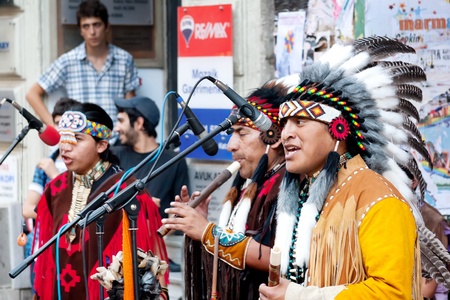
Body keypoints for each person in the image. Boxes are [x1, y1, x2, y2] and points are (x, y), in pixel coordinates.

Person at [258, 36, 450, 299]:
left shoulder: (380, 199)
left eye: (300, 122)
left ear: (338, 129)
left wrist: (297, 296)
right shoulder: (309, 193)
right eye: (284, 123)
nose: (286, 134)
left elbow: (392, 292)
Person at [162, 80, 291, 300]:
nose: (230, 145)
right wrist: (200, 228)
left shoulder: (287, 187)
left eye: (242, 134)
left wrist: (208, 232)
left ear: (273, 137)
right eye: (232, 134)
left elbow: (280, 260)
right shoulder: (253, 186)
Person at [32, 103, 168, 300]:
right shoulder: (55, 188)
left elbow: (148, 260)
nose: (65, 147)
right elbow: (46, 262)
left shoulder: (127, 190)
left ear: (101, 145)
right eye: (64, 138)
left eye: (77, 139)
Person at [26, 0, 139, 127]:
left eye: (97, 25)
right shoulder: (68, 61)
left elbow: (130, 104)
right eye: (86, 26)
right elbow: (32, 94)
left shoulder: (124, 59)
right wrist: (54, 126)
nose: (92, 32)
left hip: (115, 139)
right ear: (80, 30)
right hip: (80, 139)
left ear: (107, 26)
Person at [22, 97, 79, 293]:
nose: (60, 131)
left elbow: (76, 210)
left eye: (65, 125)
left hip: (74, 244)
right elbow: (28, 209)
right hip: (44, 242)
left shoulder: (84, 164)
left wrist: (55, 175)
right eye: (56, 124)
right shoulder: (46, 163)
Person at [111, 95, 190, 219]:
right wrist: (142, 203)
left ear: (139, 123)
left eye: (121, 121)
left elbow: (180, 212)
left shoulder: (174, 161)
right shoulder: (114, 155)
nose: (116, 128)